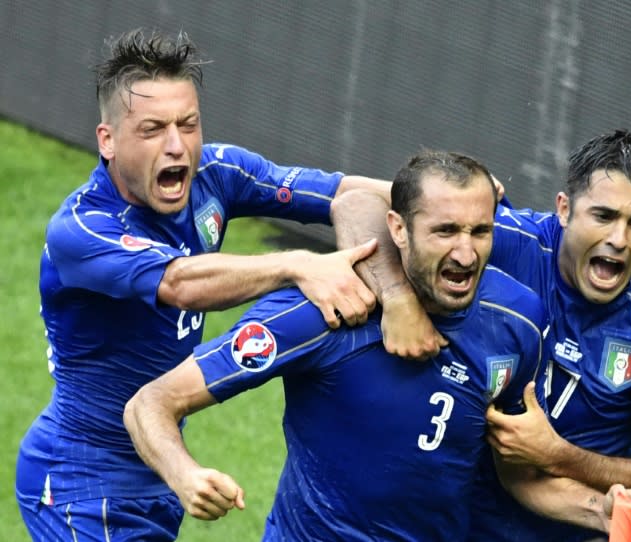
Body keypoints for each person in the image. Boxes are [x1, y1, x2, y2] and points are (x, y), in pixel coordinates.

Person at [124, 150, 631, 541]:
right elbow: (151, 403)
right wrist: (185, 474)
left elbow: (515, 475)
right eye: (445, 231)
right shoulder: (323, 312)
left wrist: (598, 509)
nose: (467, 252)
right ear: (398, 229)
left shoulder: (517, 321)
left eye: (480, 231)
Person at [15, 28, 391, 542]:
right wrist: (297, 264)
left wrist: (441, 201)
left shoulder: (216, 173)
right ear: (108, 140)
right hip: (82, 487)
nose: (177, 146)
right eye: (152, 130)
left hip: (155, 472)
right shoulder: (82, 229)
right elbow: (180, 283)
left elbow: (344, 193)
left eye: (187, 125)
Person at [332, 130, 631, 541]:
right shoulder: (499, 241)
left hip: (579, 526)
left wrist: (558, 456)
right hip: (455, 524)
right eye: (603, 216)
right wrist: (398, 297)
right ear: (564, 209)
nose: (617, 240)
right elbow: (355, 204)